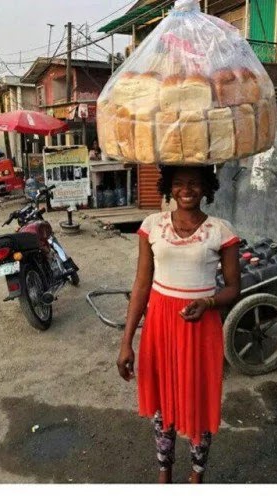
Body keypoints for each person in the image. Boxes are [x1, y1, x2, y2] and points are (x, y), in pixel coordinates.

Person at [116, 165, 241, 483]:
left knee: (200, 398)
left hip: (200, 328)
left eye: (195, 183)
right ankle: (165, 471)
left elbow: (233, 288)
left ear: (207, 187)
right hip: (159, 326)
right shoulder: (152, 226)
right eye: (180, 183)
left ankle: (197, 475)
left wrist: (208, 302)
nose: (187, 190)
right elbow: (141, 285)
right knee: (162, 402)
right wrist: (126, 342)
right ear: (169, 187)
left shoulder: (221, 231)